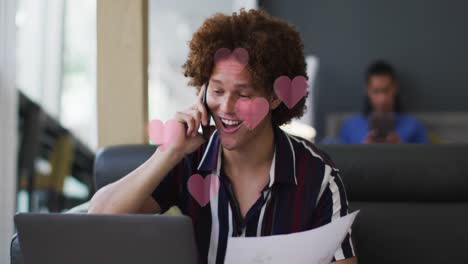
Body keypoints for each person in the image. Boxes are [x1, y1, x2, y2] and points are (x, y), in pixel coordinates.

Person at [89, 9, 357, 264]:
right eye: (217, 91)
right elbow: (97, 220)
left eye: (243, 94)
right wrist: (168, 151)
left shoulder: (316, 174)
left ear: (275, 97)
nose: (226, 107)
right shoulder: (188, 160)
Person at [339, 60, 428, 144]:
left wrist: (401, 150)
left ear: (395, 88)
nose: (382, 98)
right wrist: (363, 151)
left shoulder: (414, 126)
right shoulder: (350, 127)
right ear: (367, 90)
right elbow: (338, 159)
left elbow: (427, 158)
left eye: (386, 90)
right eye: (376, 91)